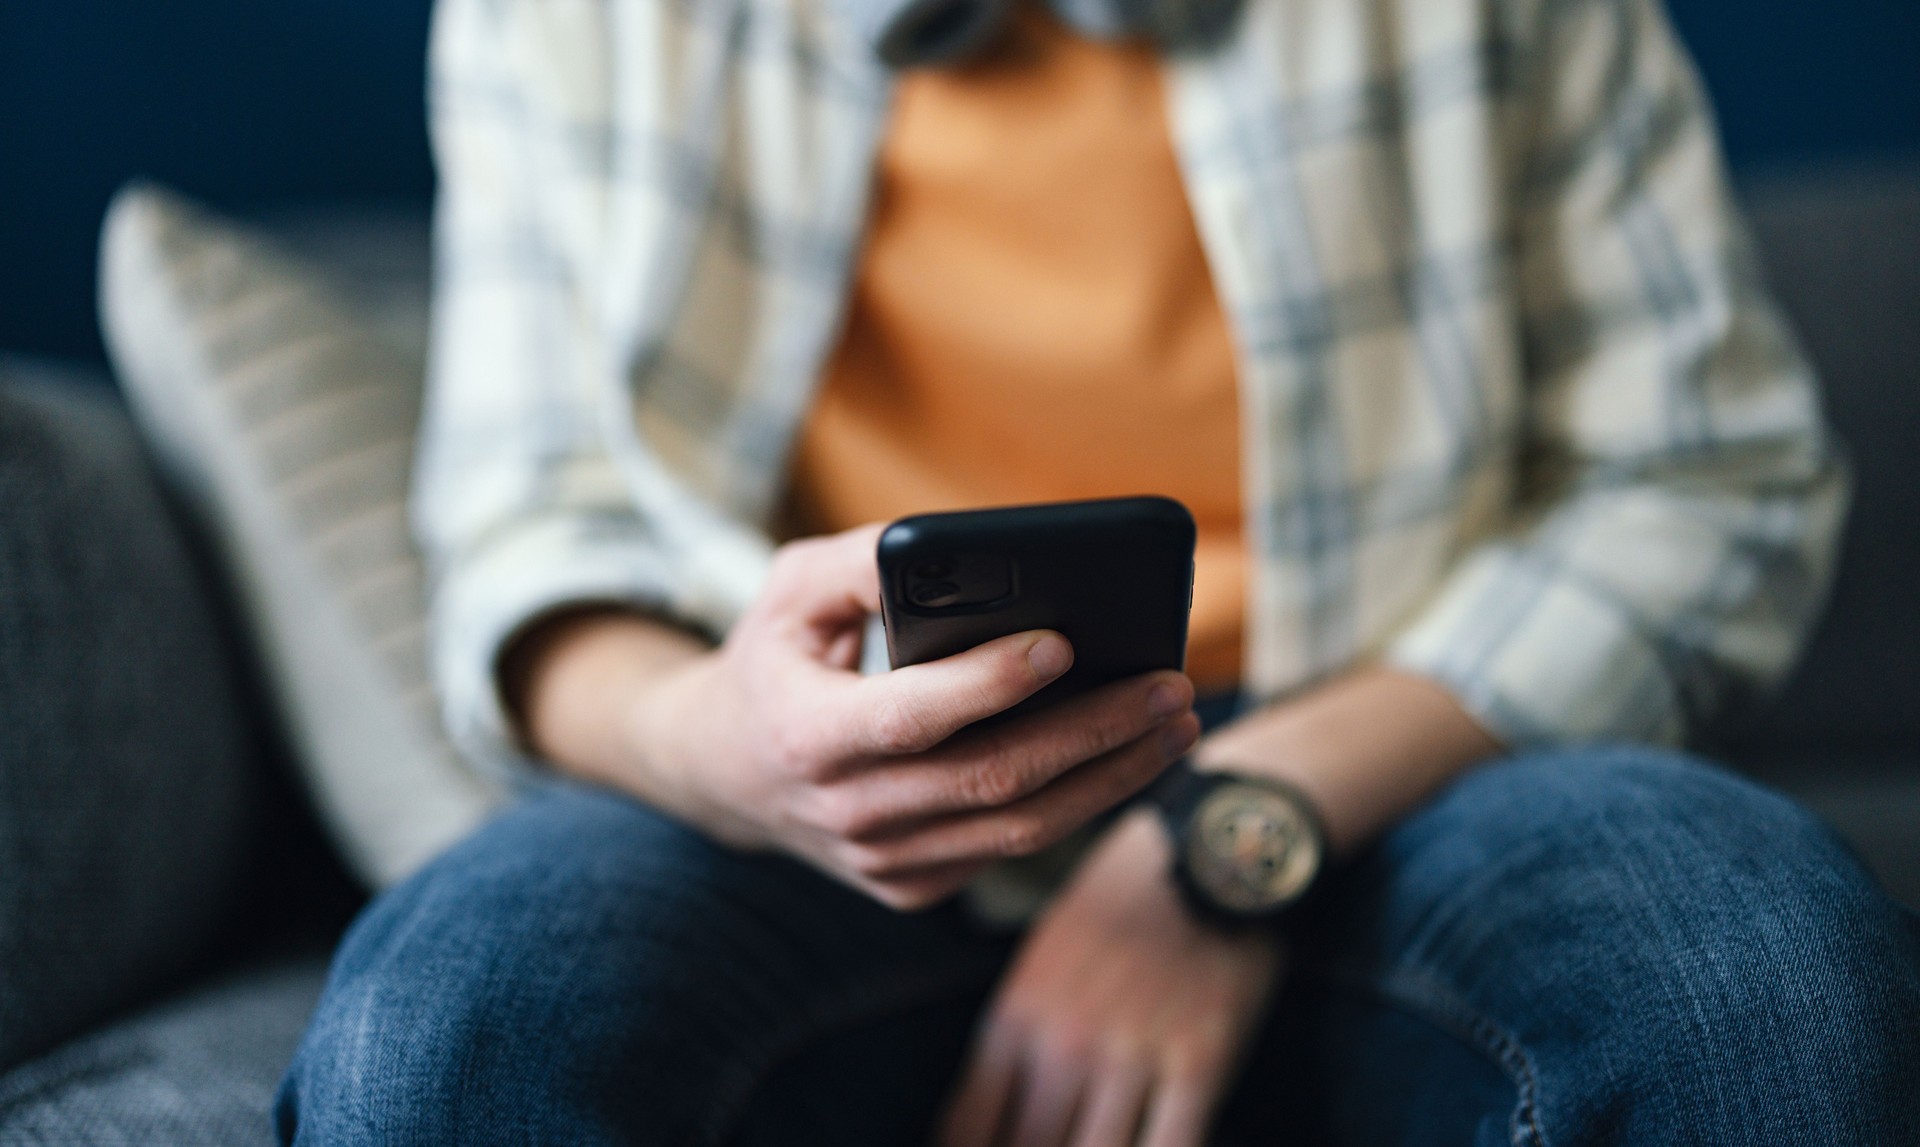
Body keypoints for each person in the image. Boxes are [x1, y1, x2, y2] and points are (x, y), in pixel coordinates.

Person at [276, 0, 1920, 1143]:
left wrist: (1228, 837)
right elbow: (529, 539)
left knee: (1760, 988)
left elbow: (1708, 475)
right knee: (441, 1045)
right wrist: (718, 743)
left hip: (1400, 748)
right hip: (817, 793)